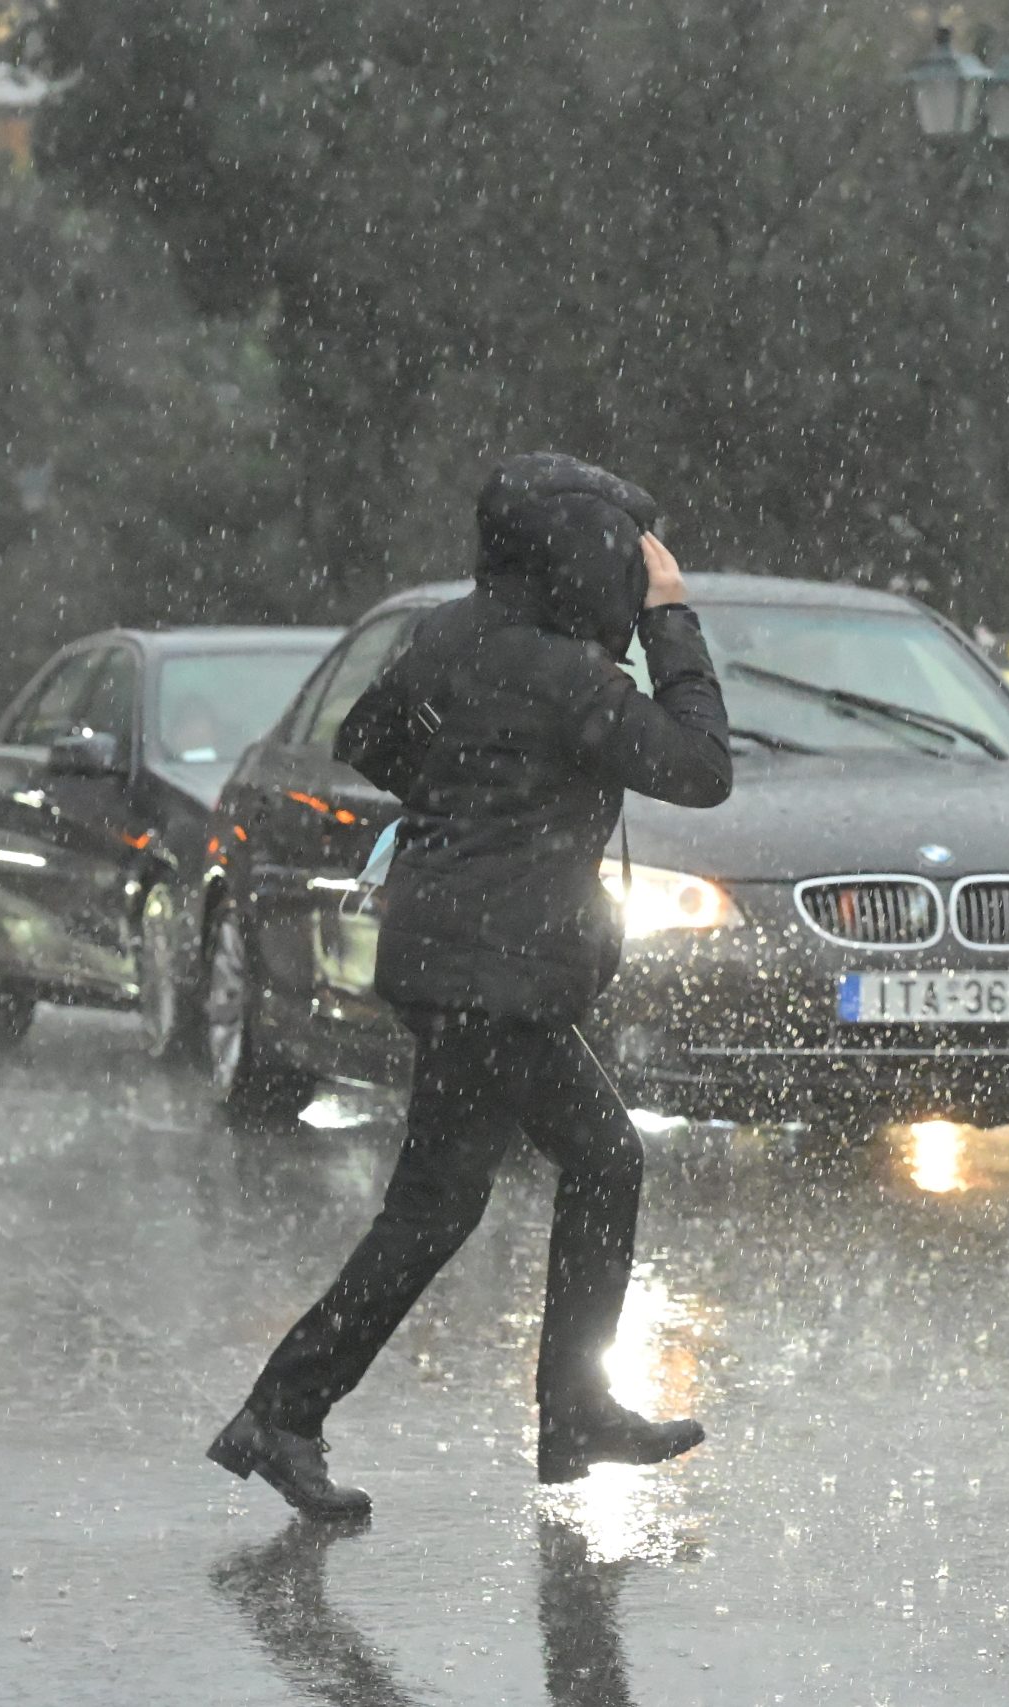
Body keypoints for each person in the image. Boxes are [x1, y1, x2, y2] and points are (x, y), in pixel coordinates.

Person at [208, 453, 732, 1520]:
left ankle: (283, 1412)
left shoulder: (454, 638)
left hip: (446, 954)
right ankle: (572, 1411)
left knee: (434, 1207)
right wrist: (673, 622)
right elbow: (700, 767)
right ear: (585, 558)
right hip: (500, 972)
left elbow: (368, 736)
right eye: (628, 565)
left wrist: (470, 803)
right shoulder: (565, 676)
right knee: (603, 1161)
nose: (635, 581)